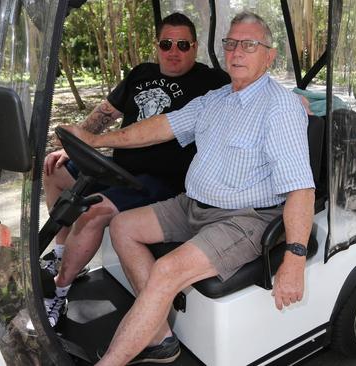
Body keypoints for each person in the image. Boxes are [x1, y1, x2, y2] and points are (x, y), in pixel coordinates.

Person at [64, 11, 316, 365]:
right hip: (193, 205)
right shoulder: (218, 98)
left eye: (249, 45)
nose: (237, 53)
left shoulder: (280, 108)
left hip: (244, 218)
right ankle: (159, 336)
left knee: (166, 270)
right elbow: (160, 126)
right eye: (231, 44)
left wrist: (295, 258)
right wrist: (96, 139)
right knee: (122, 225)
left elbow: (301, 189)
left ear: (269, 55)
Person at [41, 12, 230, 327]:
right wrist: (73, 146)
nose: (174, 51)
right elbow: (104, 114)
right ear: (157, 45)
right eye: (166, 44)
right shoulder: (140, 73)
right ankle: (62, 253)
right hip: (117, 167)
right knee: (53, 170)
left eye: (183, 45)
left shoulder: (210, 81)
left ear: (195, 47)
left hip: (159, 182)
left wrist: (296, 101)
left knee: (90, 213)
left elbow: (249, 89)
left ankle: (59, 294)